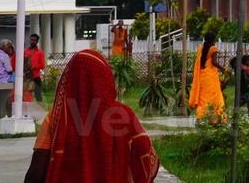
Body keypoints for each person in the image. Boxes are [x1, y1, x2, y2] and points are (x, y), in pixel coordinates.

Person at [23, 50, 159, 183]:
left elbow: (36, 174)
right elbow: (145, 159)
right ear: (105, 78)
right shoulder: (123, 116)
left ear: (69, 79)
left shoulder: (57, 118)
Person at [187, 38, 225, 121]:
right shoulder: (213, 49)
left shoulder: (201, 48)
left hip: (202, 76)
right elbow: (214, 62)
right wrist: (224, 69)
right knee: (215, 98)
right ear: (213, 40)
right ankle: (216, 118)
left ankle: (200, 118)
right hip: (210, 77)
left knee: (203, 99)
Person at [25, 34, 48, 104]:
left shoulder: (40, 53)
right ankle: (27, 110)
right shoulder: (25, 51)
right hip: (27, 76)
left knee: (38, 95)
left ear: (37, 41)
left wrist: (34, 66)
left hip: (36, 76)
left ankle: (39, 109)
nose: (32, 41)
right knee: (27, 94)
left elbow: (42, 65)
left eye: (34, 40)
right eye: (31, 40)